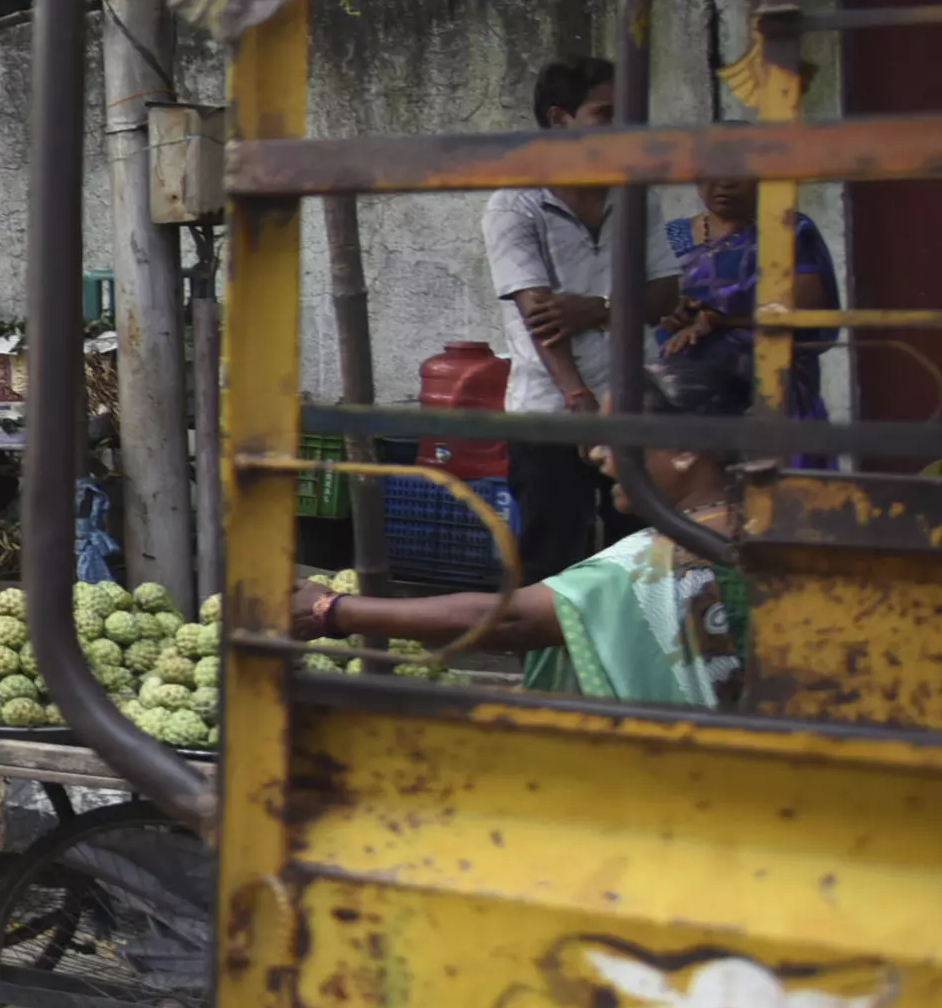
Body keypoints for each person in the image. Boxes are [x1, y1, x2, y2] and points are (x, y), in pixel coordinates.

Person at [292, 377, 749, 711]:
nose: (596, 453)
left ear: (686, 450)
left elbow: (513, 619)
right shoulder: (755, 522)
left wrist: (332, 610)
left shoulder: (659, 560)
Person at [482, 58, 682, 580]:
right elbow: (540, 317)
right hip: (551, 413)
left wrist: (596, 309)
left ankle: (629, 663)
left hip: (638, 404)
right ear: (560, 120)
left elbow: (666, 293)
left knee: (642, 558)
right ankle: (550, 662)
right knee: (552, 562)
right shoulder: (515, 205)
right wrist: (578, 399)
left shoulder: (637, 195)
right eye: (605, 113)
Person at [660, 178, 840, 426]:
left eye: (735, 174)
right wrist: (670, 312)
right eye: (712, 174)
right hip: (686, 400)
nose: (724, 184)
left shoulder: (787, 229)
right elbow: (647, 302)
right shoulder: (671, 237)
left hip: (770, 395)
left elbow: (807, 307)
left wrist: (721, 320)